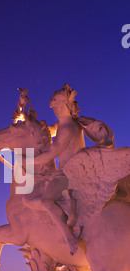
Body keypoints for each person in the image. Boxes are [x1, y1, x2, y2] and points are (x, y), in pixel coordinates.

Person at [23, 84, 85, 255]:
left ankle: (69, 237)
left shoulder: (68, 127)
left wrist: (29, 161)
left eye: (57, 103)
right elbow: (49, 131)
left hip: (69, 173)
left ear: (66, 104)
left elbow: (52, 152)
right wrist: (29, 119)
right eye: (53, 103)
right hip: (67, 171)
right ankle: (68, 208)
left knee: (45, 201)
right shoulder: (63, 124)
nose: (53, 107)